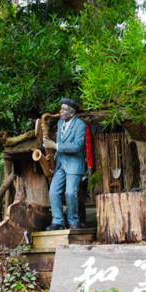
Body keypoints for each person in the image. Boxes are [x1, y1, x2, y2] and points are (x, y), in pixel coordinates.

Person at [44, 98, 88, 230]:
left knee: (70, 193)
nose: (61, 111)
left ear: (72, 112)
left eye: (64, 109)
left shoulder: (80, 125)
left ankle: (73, 220)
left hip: (74, 164)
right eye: (61, 108)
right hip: (60, 163)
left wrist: (56, 146)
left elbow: (78, 146)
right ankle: (57, 220)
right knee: (53, 192)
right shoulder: (60, 123)